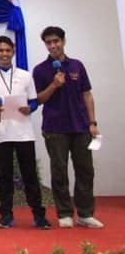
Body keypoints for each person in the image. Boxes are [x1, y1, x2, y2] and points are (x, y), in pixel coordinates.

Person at [33, 26, 103, 229]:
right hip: (55, 128)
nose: (53, 45)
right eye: (48, 43)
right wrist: (54, 85)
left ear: (63, 41)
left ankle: (85, 214)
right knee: (59, 172)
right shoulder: (40, 70)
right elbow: (38, 99)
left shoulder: (77, 66)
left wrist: (92, 123)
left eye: (56, 41)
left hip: (81, 127)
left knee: (85, 170)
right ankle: (64, 213)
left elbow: (87, 95)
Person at [0, 35, 50, 230]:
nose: (4, 54)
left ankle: (39, 216)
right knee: (4, 177)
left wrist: (31, 108)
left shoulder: (25, 76)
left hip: (24, 133)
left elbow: (34, 101)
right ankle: (5, 216)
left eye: (7, 50)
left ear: (13, 52)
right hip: (2, 134)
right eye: (0, 51)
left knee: (30, 176)